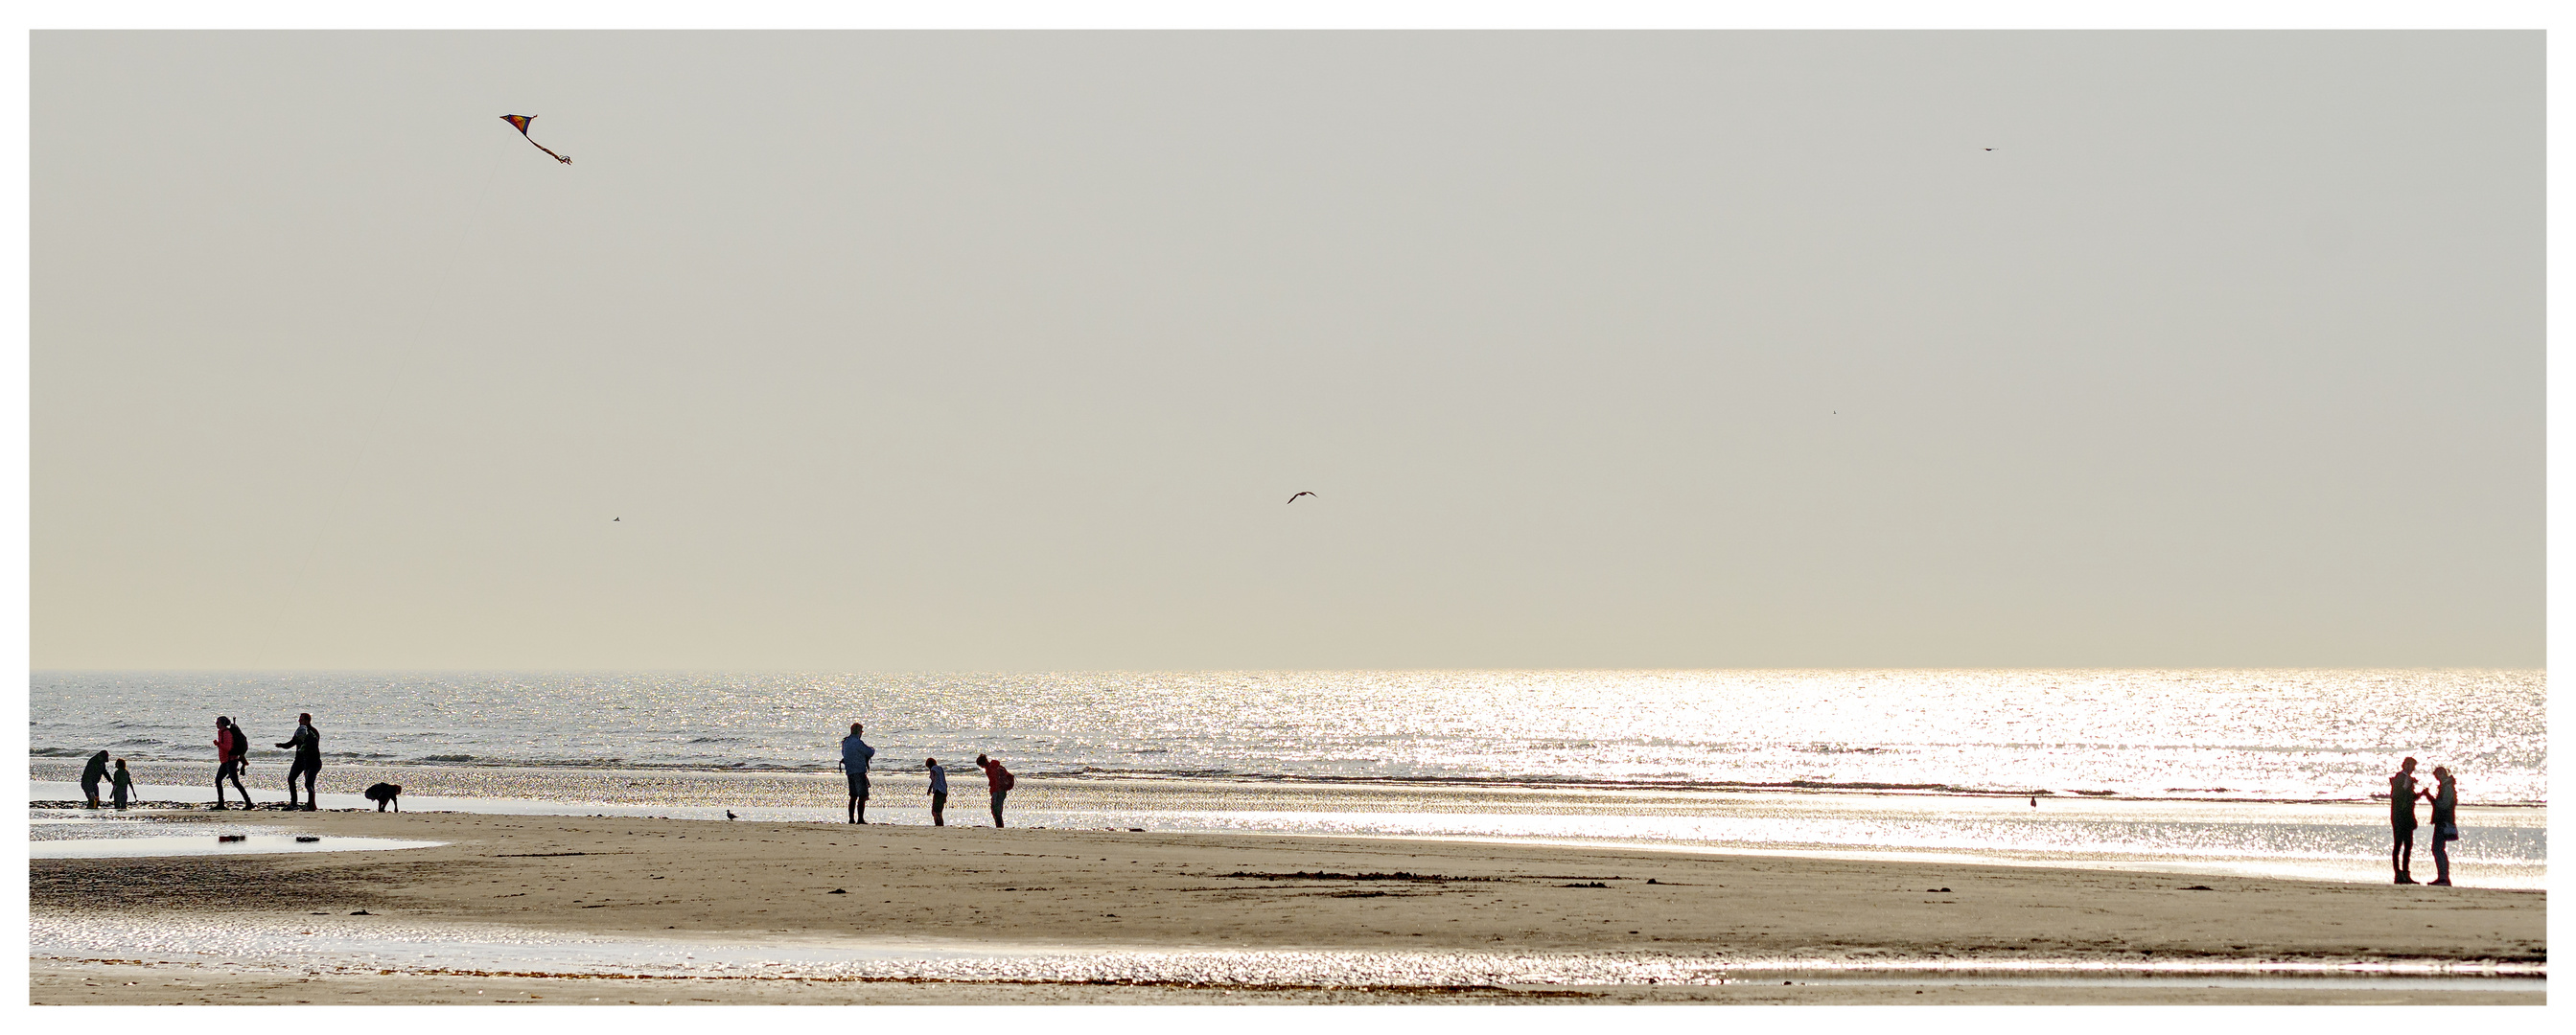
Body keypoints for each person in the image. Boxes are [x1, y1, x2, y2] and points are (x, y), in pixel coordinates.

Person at [276, 712, 321, 811]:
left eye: (301, 719)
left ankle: (311, 805)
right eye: (299, 719)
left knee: (309, 784)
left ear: (307, 721)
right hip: (299, 761)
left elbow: (313, 748)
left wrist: (308, 764)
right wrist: (281, 745)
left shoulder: (313, 732)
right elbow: (292, 743)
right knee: (291, 779)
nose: (299, 721)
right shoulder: (299, 731)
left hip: (311, 761)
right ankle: (293, 803)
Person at [2425, 766, 2460, 886]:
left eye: (2439, 774)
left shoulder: (2447, 787)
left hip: (2444, 821)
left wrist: (2430, 798)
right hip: (2444, 821)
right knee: (2438, 849)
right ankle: (2442, 877)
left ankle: (2443, 878)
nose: (2437, 777)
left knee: (2438, 849)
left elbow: (2443, 805)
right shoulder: (2447, 786)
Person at [2389, 756, 2422, 884]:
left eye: (2412, 765)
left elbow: (2410, 798)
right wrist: (2405, 786)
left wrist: (2421, 794)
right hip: (2398, 817)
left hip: (2408, 817)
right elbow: (2396, 795)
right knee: (2398, 845)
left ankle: (2406, 873)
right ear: (2403, 765)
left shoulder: (2408, 779)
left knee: (2408, 845)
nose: (2410, 767)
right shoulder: (2399, 778)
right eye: (2408, 764)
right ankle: (2398, 874)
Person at [839, 723, 876, 824]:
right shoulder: (858, 743)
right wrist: (872, 748)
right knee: (862, 796)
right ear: (859, 732)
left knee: (853, 796)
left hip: (849, 771)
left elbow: (843, 754)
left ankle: (851, 819)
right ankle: (860, 819)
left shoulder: (846, 742)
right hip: (859, 771)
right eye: (861, 731)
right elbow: (869, 752)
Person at [213, 716, 251, 810]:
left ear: (222, 723)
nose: (216, 724)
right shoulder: (221, 732)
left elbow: (228, 748)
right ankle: (221, 804)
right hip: (225, 761)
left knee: (235, 782)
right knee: (218, 780)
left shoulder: (226, 733)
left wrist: (218, 744)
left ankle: (249, 803)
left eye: (218, 722)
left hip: (231, 761)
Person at [976, 753, 1014, 828]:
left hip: (998, 791)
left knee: (996, 810)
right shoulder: (994, 766)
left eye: (981, 765)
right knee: (997, 810)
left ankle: (999, 826)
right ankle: (999, 826)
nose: (981, 767)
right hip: (1001, 791)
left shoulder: (991, 768)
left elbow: (995, 781)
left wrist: (994, 789)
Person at [924, 757, 948, 827]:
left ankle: (938, 825)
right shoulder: (940, 768)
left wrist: (930, 789)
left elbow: (933, 779)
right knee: (939, 811)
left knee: (935, 811)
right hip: (944, 791)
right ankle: (941, 825)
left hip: (938, 791)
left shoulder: (933, 769)